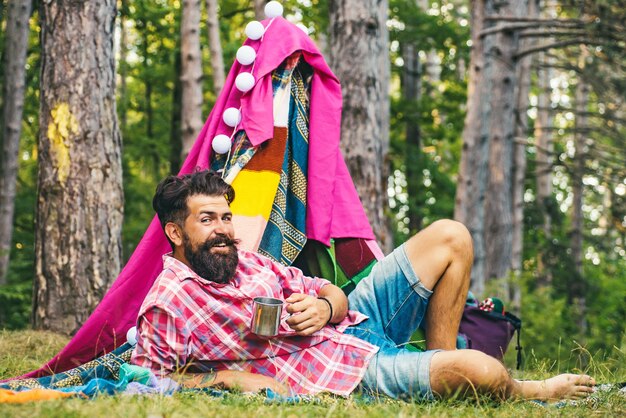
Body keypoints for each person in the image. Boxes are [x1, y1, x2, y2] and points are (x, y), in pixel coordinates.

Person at [131, 169, 596, 401]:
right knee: (487, 373)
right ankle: (529, 390)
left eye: (226, 216)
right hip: (338, 371)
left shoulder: (246, 261)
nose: (222, 229)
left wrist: (325, 309)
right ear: (175, 232)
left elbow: (329, 290)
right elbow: (148, 380)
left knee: (451, 236)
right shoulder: (170, 301)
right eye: (207, 219)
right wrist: (227, 377)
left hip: (353, 321)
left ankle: (438, 360)